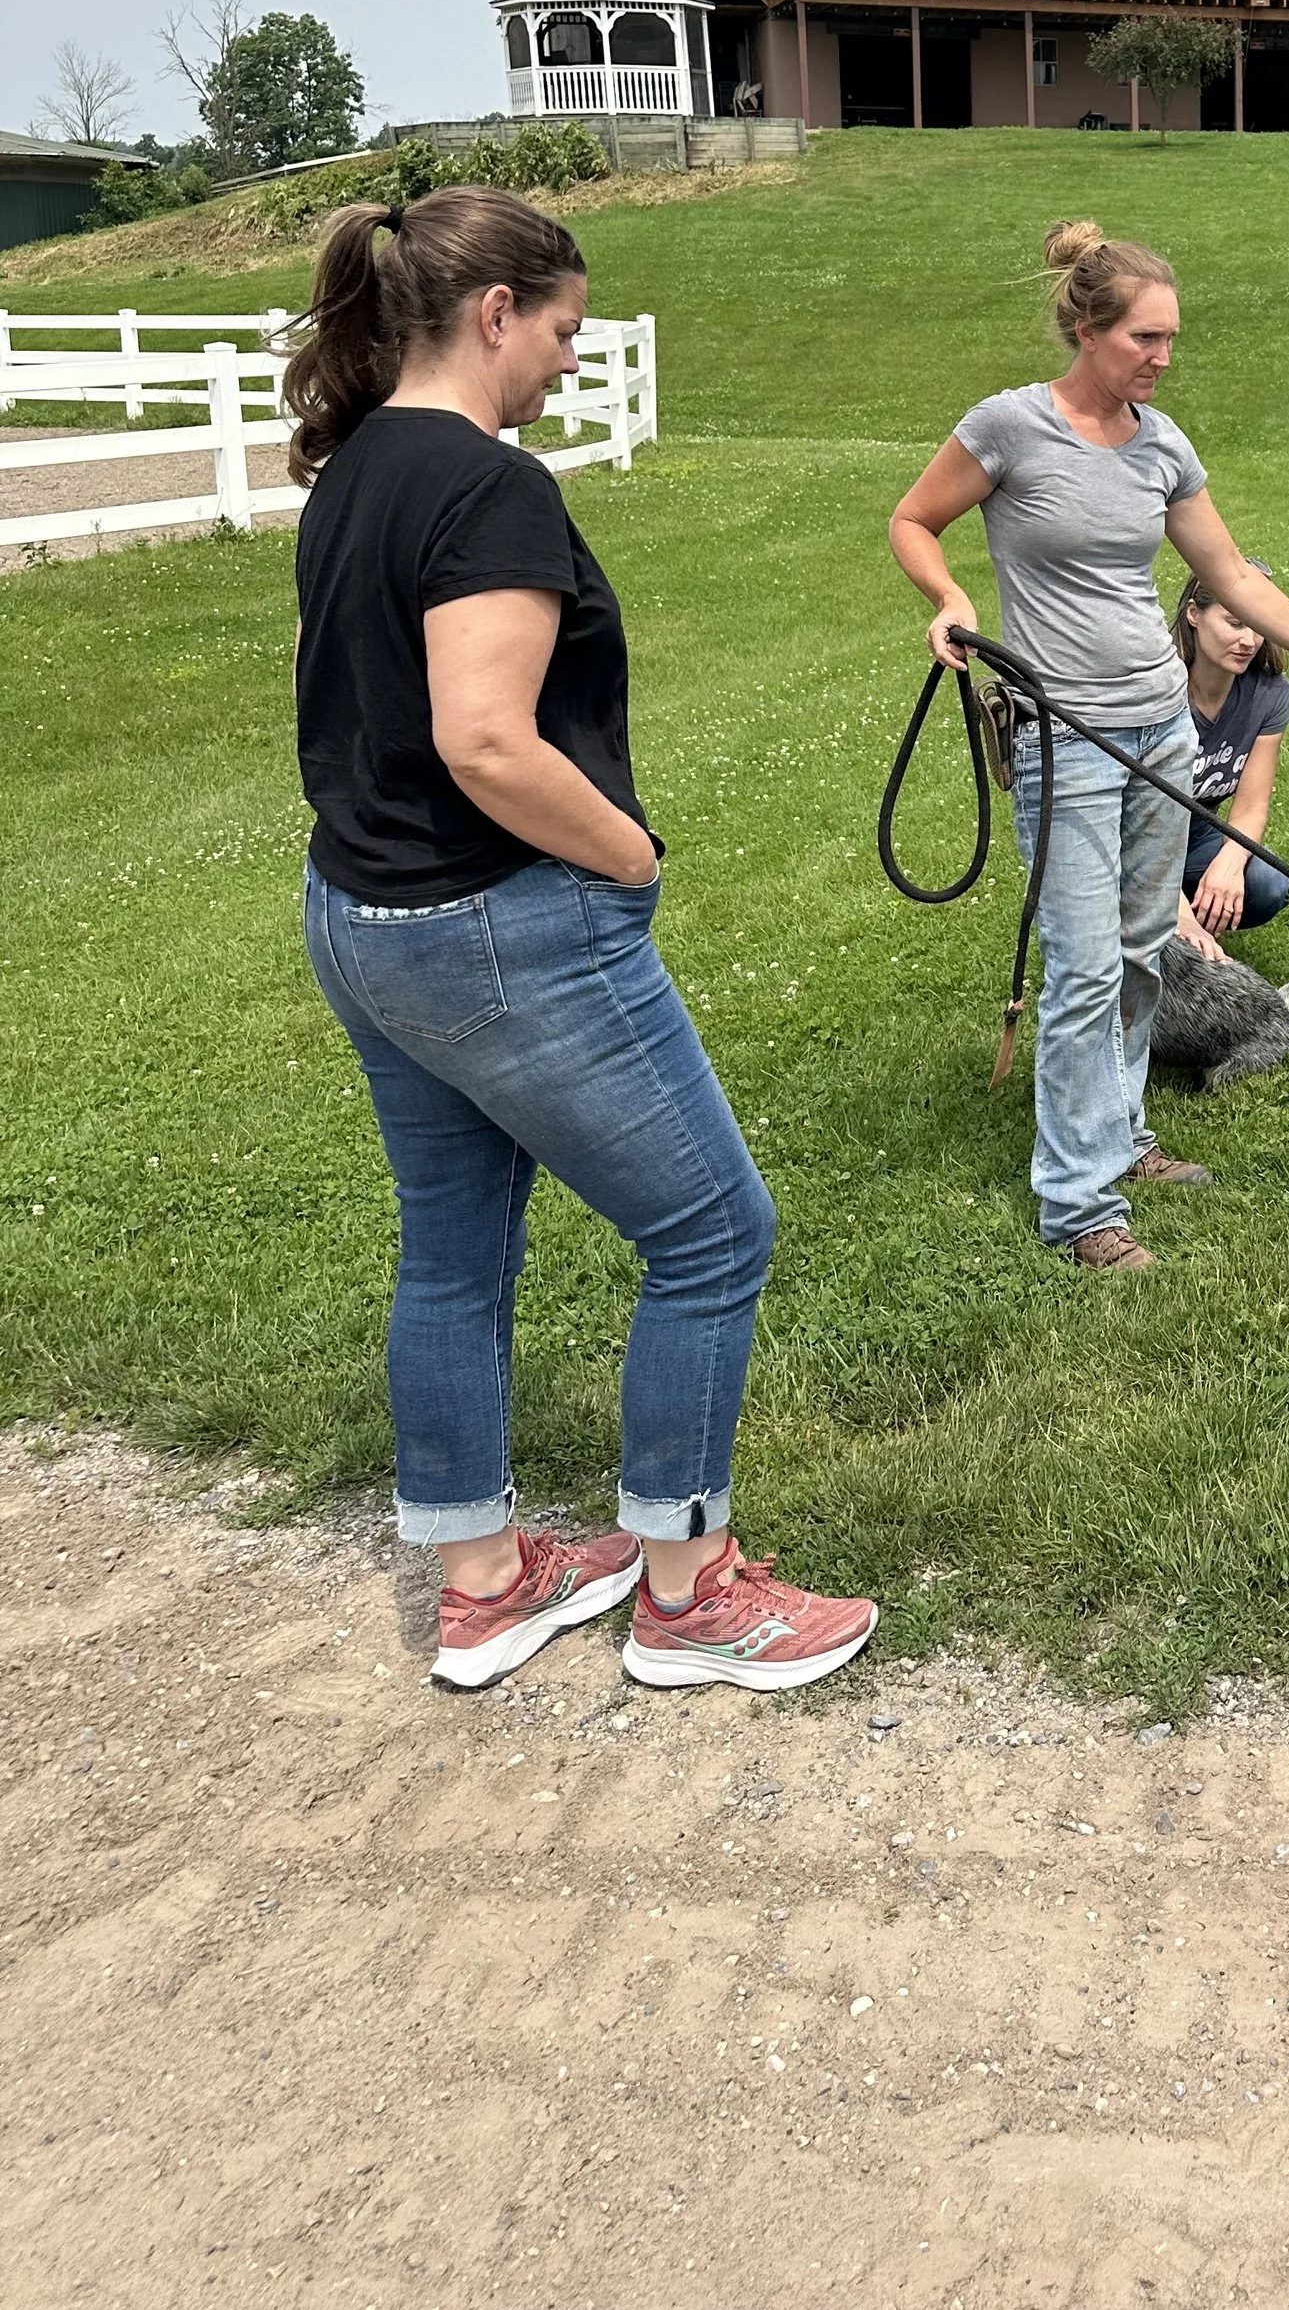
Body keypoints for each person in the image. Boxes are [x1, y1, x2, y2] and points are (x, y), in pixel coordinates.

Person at [288, 188, 877, 1695]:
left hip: (363, 917)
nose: (566, 359)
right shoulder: (489, 487)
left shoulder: (353, 465)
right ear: (496, 314)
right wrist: (628, 852)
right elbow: (483, 735)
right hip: (497, 925)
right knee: (711, 1233)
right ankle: (689, 1593)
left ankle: (483, 1581)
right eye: (561, 329)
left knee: (456, 1244)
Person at [888, 220, 1289, 1271]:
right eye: (1144, 339)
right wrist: (946, 600)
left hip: (1158, 730)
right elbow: (913, 519)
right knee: (1083, 967)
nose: (1162, 359)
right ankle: (1077, 1206)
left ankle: (1119, 1141)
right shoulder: (1008, 429)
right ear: (1086, 330)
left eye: (1171, 339)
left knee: (1138, 956)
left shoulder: (1162, 445)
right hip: (1062, 735)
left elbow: (1234, 578)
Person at [1170, 562, 1289, 961]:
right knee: (1165, 926)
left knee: (1266, 884)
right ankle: (1152, 921)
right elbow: (1129, 826)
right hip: (1128, 846)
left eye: (1258, 625)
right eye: (1234, 623)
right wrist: (1179, 917)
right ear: (1194, 614)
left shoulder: (1268, 695)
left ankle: (1174, 918)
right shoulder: (1158, 692)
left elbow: (1253, 807)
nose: (1250, 640)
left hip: (1192, 838)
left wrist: (1229, 863)